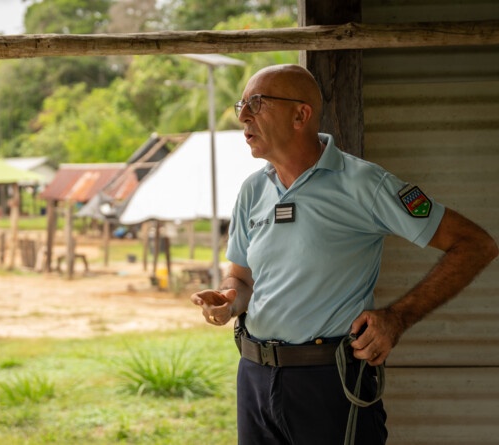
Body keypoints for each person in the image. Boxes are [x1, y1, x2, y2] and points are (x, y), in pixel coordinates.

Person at [191, 64, 497, 444]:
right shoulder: (253, 189)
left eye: (257, 103)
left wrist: (397, 318)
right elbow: (242, 278)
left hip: (329, 381)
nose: (242, 116)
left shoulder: (364, 184)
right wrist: (227, 298)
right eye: (242, 104)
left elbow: (475, 244)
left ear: (301, 114)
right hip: (254, 376)